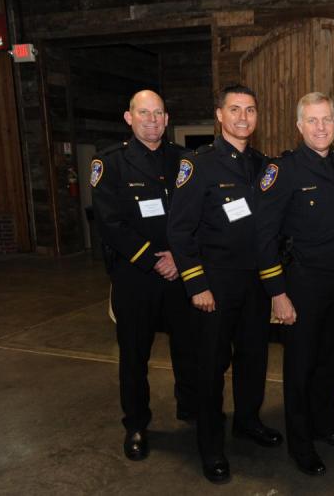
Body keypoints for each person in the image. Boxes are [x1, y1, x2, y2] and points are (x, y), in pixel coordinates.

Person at [167, 84, 282, 484]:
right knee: (211, 367)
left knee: (254, 359)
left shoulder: (265, 165)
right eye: (234, 110)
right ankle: (211, 445)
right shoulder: (198, 164)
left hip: (255, 283)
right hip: (214, 284)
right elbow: (179, 230)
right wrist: (196, 285)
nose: (242, 118)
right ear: (219, 115)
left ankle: (247, 421)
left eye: (250, 110)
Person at [254, 92, 334, 476]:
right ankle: (300, 444)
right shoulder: (282, 172)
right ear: (299, 126)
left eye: (327, 120)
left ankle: (325, 425)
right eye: (312, 121)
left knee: (331, 363)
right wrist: (277, 294)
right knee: (300, 368)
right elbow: (263, 238)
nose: (321, 127)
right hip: (299, 284)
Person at [90, 89, 198, 462]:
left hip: (180, 274)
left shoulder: (185, 161)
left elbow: (196, 217)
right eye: (144, 113)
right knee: (134, 356)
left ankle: (190, 407)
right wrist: (155, 259)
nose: (152, 121)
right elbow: (110, 224)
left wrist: (179, 259)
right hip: (136, 276)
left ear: (167, 119)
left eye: (158, 114)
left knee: (189, 348)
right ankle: (136, 423)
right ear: (129, 117)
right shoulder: (111, 164)